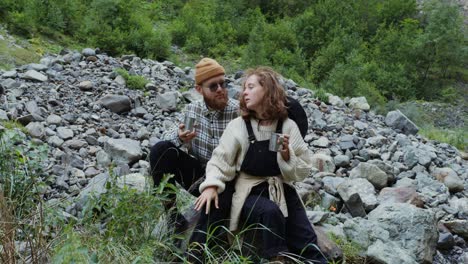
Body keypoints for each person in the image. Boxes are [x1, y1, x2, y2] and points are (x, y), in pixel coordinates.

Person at [192, 67, 326, 263]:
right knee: (270, 212)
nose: (244, 92)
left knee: (308, 241)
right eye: (244, 88)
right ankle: (277, 258)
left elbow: (303, 170)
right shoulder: (238, 126)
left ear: (268, 90)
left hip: (281, 189)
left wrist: (287, 155)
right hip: (249, 192)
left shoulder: (287, 126)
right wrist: (211, 186)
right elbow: (220, 161)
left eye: (251, 87)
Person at [149, 58, 238, 234]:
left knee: (218, 204)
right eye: (213, 86)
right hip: (199, 175)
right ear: (199, 90)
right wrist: (180, 137)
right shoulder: (193, 110)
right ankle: (173, 216)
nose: (220, 90)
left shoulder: (238, 111)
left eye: (223, 83)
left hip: (227, 180)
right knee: (160, 150)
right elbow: (165, 139)